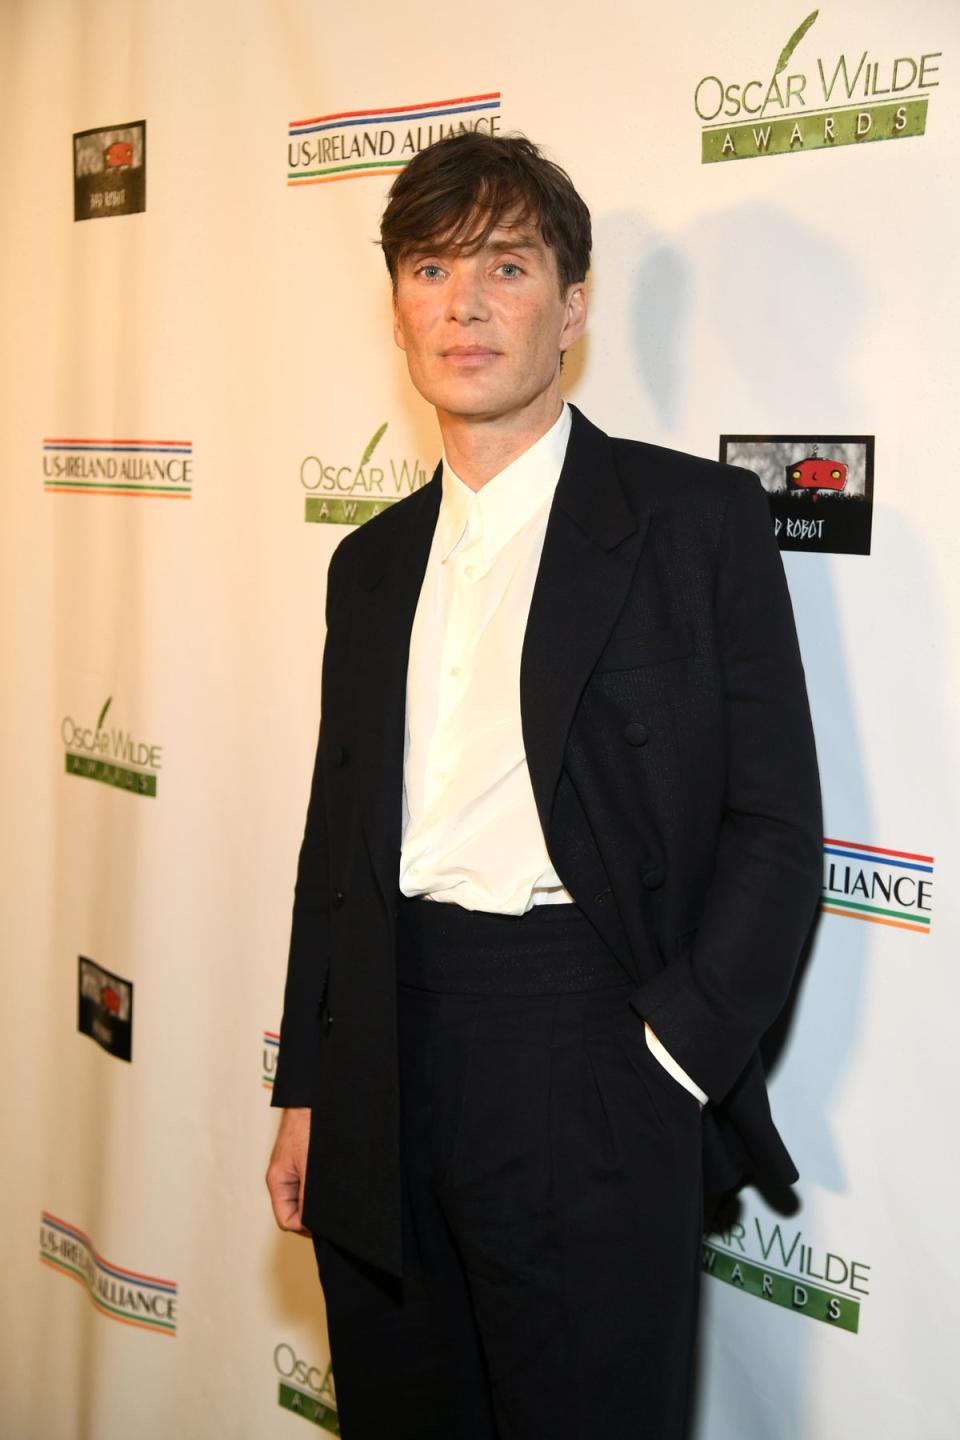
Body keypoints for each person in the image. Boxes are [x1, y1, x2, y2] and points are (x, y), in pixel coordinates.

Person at [266, 132, 821, 1440]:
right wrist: (306, 1085)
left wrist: (669, 1055)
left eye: (505, 266)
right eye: (430, 266)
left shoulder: (693, 526)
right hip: (383, 1062)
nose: (463, 302)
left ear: (570, 307)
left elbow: (775, 829)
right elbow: (333, 844)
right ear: (397, 302)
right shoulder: (369, 564)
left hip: (588, 1054)